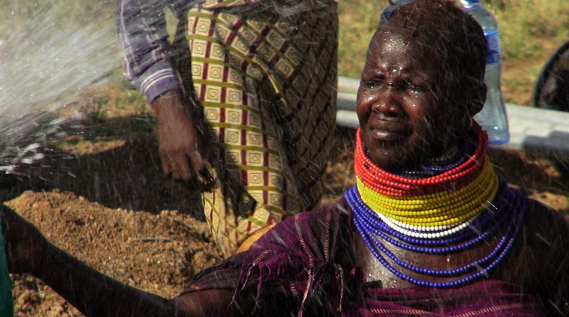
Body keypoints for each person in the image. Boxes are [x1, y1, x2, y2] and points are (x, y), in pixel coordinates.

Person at [3, 0, 569, 316]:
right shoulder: (320, 248)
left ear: (471, 99)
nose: (381, 103)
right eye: (373, 80)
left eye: (410, 84)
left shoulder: (536, 239)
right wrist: (45, 258)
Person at [116, 0, 338, 256]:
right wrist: (167, 102)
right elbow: (136, 8)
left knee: (301, 213)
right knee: (259, 227)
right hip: (224, 40)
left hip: (310, 29)